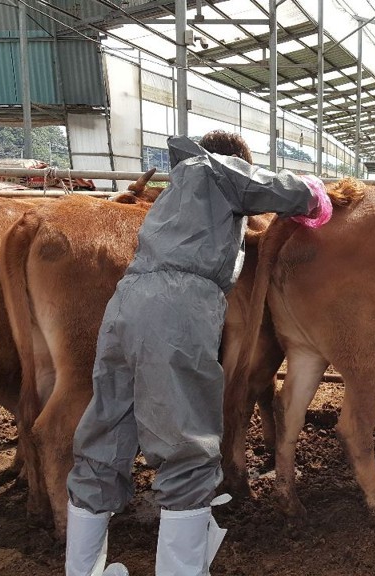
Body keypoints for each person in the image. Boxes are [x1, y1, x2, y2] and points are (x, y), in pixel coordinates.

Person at [64, 131, 331, 576]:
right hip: (178, 307)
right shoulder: (214, 169)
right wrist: (317, 196)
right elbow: (287, 191)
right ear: (237, 161)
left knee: (107, 429)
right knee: (187, 439)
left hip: (127, 301)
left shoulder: (179, 186)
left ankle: (82, 570)